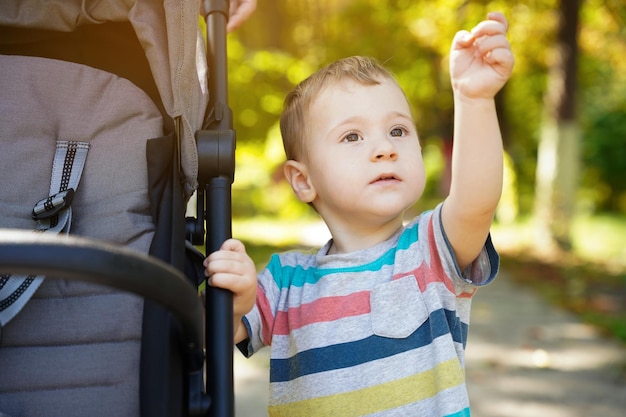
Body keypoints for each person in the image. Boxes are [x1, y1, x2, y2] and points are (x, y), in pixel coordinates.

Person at [204, 12, 514, 416]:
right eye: (353, 136)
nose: (384, 148)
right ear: (302, 180)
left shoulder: (428, 252)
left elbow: (476, 202)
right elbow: (223, 331)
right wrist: (237, 299)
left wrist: (473, 99)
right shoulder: (285, 282)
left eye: (398, 131)